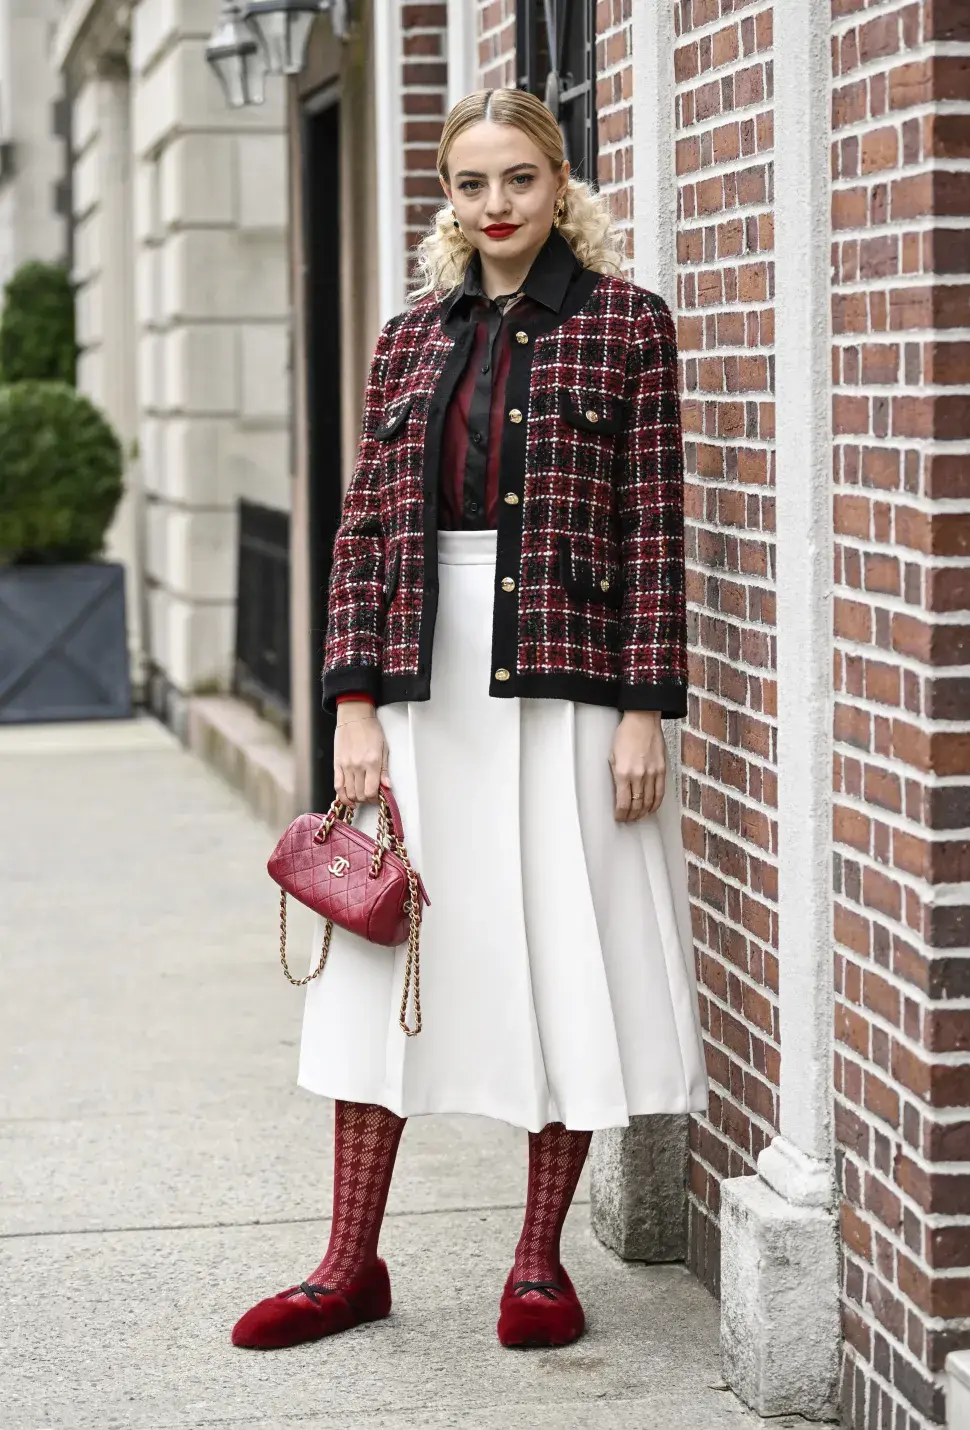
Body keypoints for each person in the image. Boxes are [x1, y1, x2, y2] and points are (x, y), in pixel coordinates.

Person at [232, 87, 707, 1354]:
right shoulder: (407, 337)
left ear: (561, 184)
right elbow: (366, 530)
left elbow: (652, 530)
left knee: (566, 954)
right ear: (450, 195)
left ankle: (540, 1263)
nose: (495, 206)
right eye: (471, 184)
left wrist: (642, 710)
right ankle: (346, 1264)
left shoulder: (625, 328)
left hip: (565, 675)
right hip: (417, 672)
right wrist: (352, 704)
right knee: (383, 959)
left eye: (519, 180)